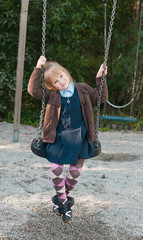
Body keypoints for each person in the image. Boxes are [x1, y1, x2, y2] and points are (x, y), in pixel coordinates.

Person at [28, 55, 108, 223]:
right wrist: (37, 68)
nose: (61, 82)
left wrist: (100, 78)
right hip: (58, 137)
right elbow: (33, 90)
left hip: (79, 136)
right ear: (52, 86)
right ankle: (64, 204)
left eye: (62, 76)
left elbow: (101, 98)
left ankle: (59, 200)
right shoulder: (52, 94)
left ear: (66, 73)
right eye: (56, 81)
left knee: (75, 173)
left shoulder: (83, 89)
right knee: (56, 168)